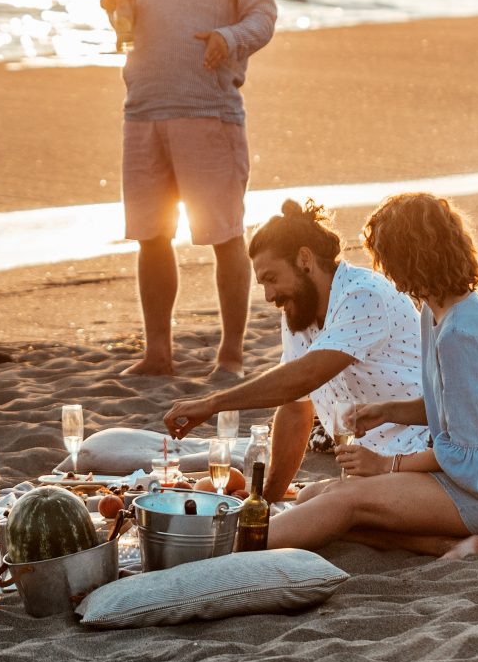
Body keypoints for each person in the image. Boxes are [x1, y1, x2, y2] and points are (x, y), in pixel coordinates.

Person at [267, 192, 478, 560]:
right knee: (313, 496)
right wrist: (388, 411)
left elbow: (465, 456)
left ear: (409, 257)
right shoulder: (435, 313)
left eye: (385, 256)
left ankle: (233, 546)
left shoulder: (459, 334)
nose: (383, 269)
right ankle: (445, 546)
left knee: (345, 499)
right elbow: (451, 409)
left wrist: (387, 465)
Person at [101, 0, 276, 380]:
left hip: (209, 106)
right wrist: (121, 7)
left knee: (223, 234)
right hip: (145, 103)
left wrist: (229, 38)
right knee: (151, 236)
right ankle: (158, 353)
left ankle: (230, 354)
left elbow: (263, 16)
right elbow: (141, 18)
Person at [162, 199, 422, 503]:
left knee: (325, 505)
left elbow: (302, 378)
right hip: (364, 466)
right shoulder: (299, 311)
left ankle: (442, 541)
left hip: (417, 455)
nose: (269, 295)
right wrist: (263, 503)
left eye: (271, 279)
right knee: (307, 498)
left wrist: (212, 404)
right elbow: (296, 408)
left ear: (304, 259)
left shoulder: (363, 295)